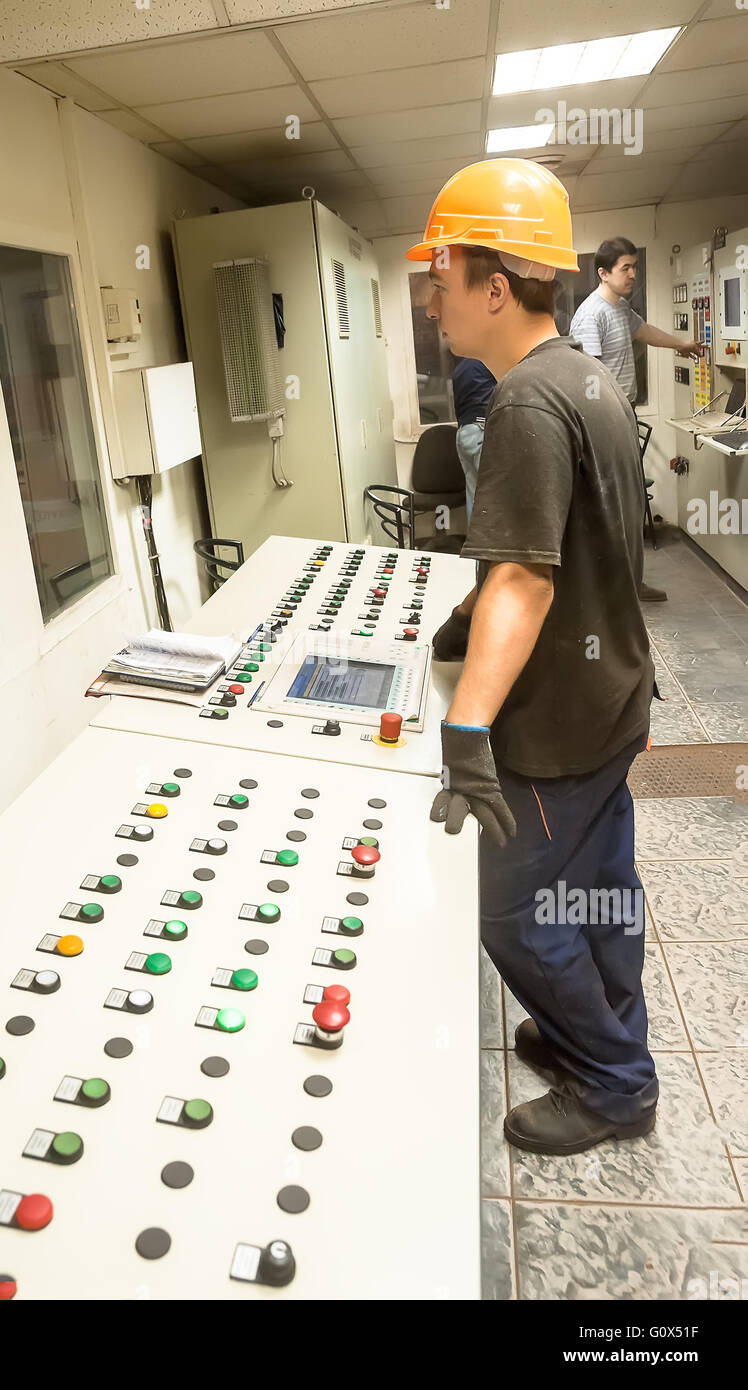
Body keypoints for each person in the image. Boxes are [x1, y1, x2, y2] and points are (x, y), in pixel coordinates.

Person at [408, 158, 658, 1154]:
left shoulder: (518, 402)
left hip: (554, 725)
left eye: (442, 279)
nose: (435, 303)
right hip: (612, 700)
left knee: (511, 906)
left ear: (493, 285)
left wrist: (466, 725)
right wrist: (471, 618)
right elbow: (565, 546)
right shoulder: (584, 376)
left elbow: (525, 579)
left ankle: (611, 1081)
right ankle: (595, 1036)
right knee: (598, 883)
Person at [570, 237, 702, 603]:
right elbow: (589, 377)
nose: (632, 274)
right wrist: (607, 419)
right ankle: (608, 589)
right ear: (603, 273)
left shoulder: (620, 308)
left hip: (622, 410)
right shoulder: (590, 314)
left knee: (629, 501)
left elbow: (643, 331)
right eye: (625, 268)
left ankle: (630, 582)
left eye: (634, 267)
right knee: (609, 502)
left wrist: (682, 344)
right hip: (603, 416)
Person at [450, 354, 495, 521]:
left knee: (474, 496)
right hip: (481, 431)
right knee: (493, 495)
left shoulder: (459, 370)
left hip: (464, 433)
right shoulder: (488, 362)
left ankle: (475, 545)